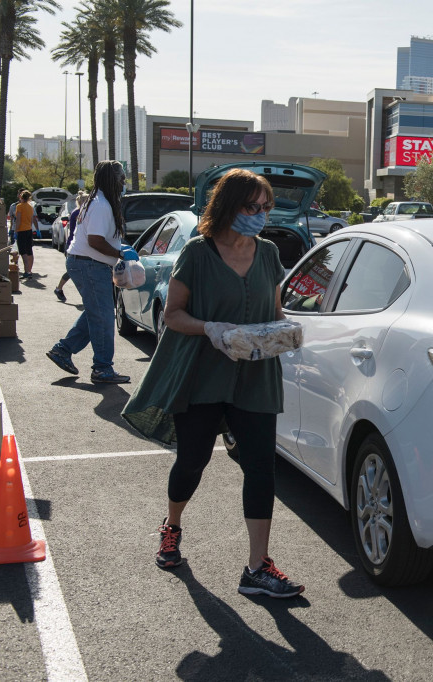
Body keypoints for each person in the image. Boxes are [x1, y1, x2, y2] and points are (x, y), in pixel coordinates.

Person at [122, 168, 303, 599]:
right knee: (193, 461)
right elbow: (173, 315)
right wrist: (212, 329)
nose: (260, 215)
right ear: (228, 206)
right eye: (251, 206)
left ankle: (257, 567)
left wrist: (285, 332)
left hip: (256, 376)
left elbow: (274, 313)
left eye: (265, 207)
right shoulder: (198, 253)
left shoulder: (268, 254)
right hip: (203, 373)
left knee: (261, 467)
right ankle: (172, 526)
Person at [46, 161, 135, 384]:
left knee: (96, 313)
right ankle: (102, 368)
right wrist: (119, 253)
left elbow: (97, 238)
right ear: (111, 180)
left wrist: (119, 249)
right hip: (89, 265)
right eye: (122, 179)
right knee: (103, 317)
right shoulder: (101, 205)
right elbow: (95, 240)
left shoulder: (99, 202)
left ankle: (63, 350)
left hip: (88, 264)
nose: (124, 183)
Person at [53, 190, 90, 302]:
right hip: (73, 245)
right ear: (84, 202)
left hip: (79, 245)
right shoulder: (78, 213)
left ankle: (59, 289)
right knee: (73, 270)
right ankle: (59, 289)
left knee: (76, 270)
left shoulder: (79, 212)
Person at [13, 190, 39, 278]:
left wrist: (16, 231)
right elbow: (31, 220)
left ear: (21, 197)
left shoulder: (19, 206)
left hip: (22, 230)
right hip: (28, 230)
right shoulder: (30, 207)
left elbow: (18, 220)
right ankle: (29, 271)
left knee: (22, 251)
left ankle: (26, 271)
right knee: (29, 250)